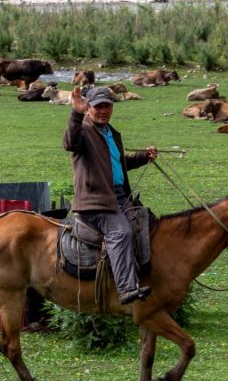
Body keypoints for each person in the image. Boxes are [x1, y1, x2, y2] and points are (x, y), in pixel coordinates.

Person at [63, 86, 158, 305]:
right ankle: (125, 288)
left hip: (119, 197)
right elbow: (69, 143)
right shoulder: (84, 130)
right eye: (98, 107)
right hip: (96, 202)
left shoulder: (110, 133)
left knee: (148, 224)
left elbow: (117, 163)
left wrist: (145, 157)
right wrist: (75, 114)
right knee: (121, 232)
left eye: (107, 106)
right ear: (89, 108)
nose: (103, 110)